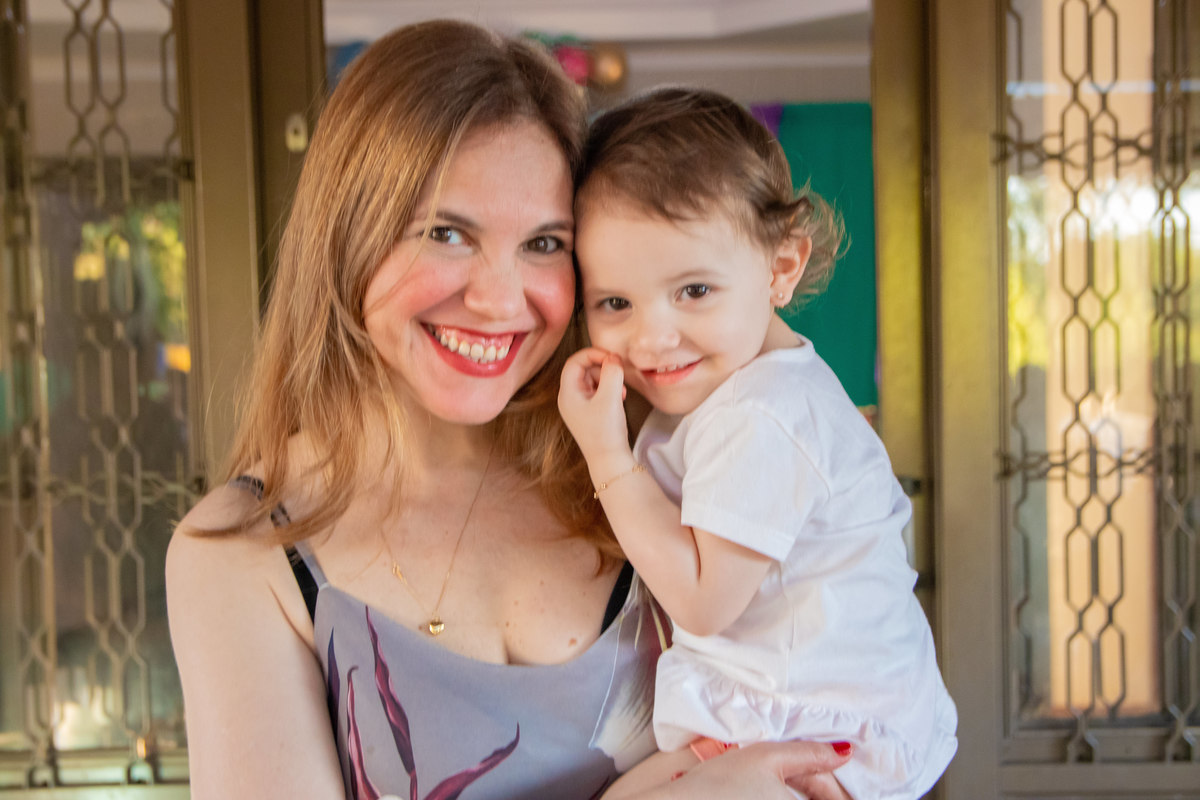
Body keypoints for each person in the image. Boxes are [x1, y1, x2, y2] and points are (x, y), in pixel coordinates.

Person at [166, 21, 856, 800]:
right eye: (447, 232)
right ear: (345, 237)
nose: (499, 302)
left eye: (544, 244)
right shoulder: (244, 552)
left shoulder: (648, 463)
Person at [558, 87, 959, 799]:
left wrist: (607, 458)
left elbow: (706, 601)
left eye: (694, 291)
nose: (652, 337)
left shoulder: (763, 415)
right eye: (615, 303)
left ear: (780, 269)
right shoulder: (730, 394)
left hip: (814, 738)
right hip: (783, 716)